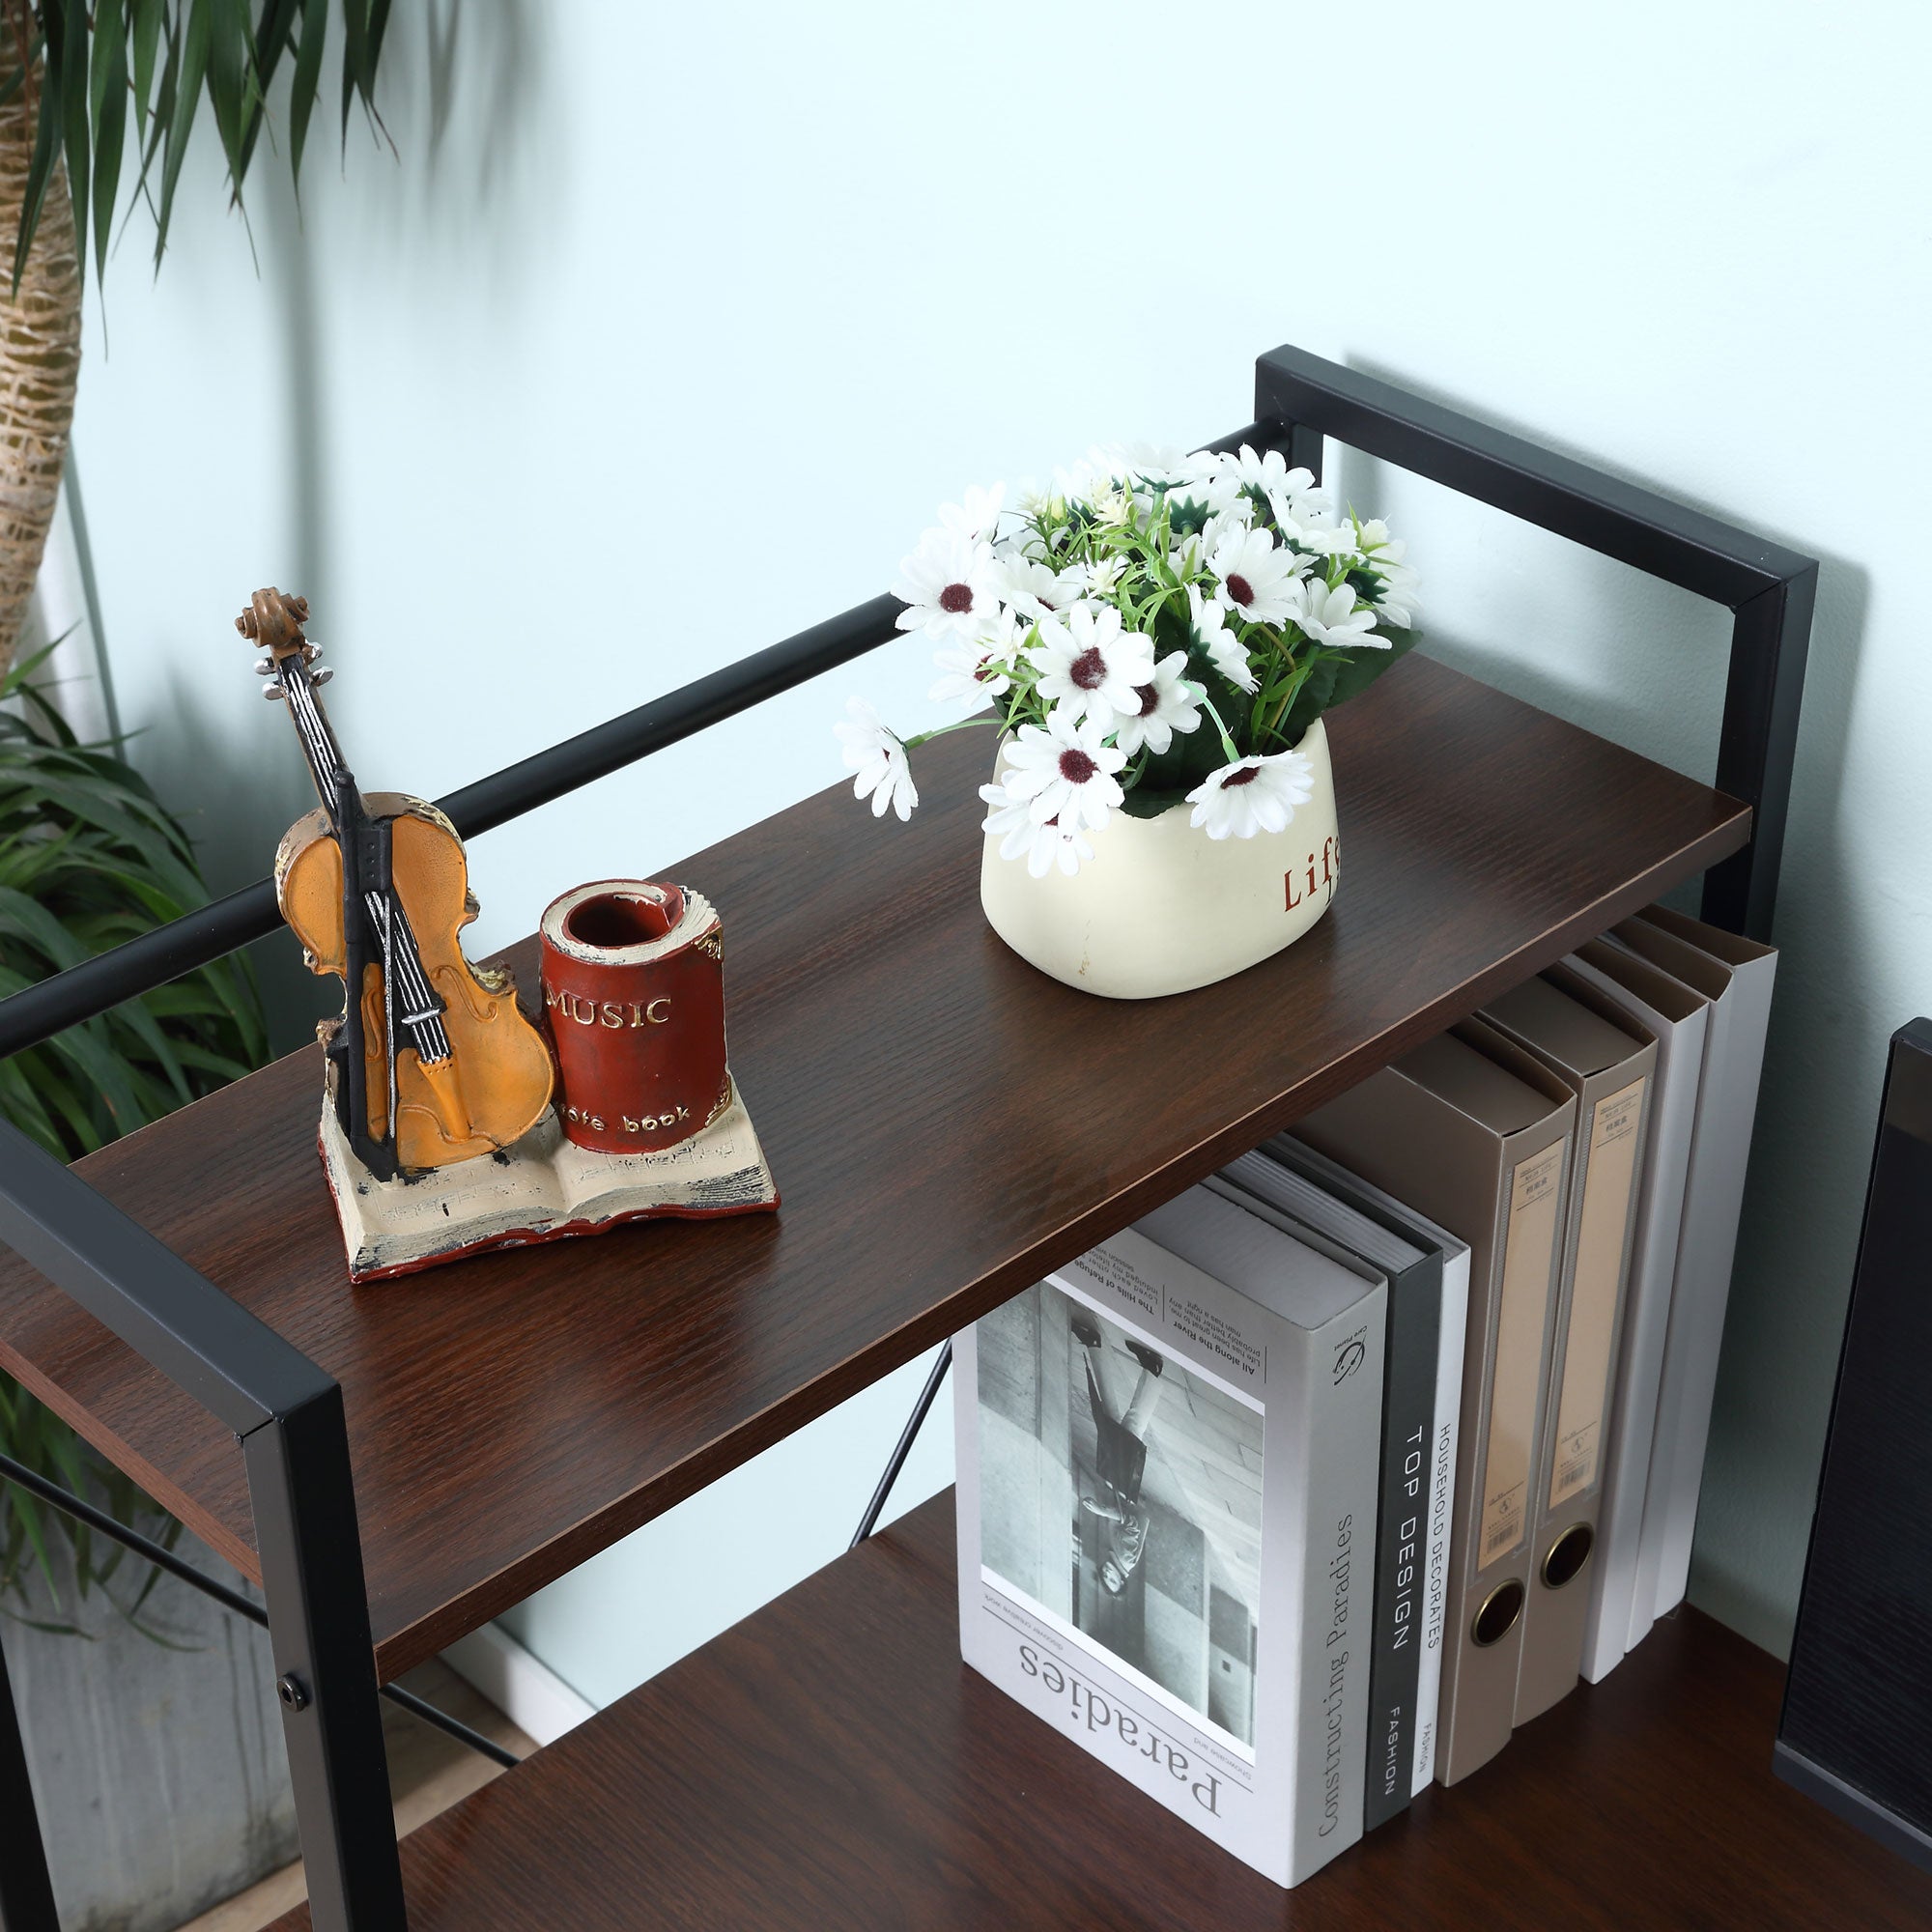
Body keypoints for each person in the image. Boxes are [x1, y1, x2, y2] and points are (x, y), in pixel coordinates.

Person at [1071, 1314, 1167, 1597]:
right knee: (1132, 1423)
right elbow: (1132, 1521)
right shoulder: (1125, 1560)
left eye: (1105, 1579)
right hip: (1123, 1478)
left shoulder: (1119, 1556)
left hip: (1119, 1480)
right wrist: (1101, 1511)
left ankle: (1094, 1345)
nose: (1108, 1575)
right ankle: (1152, 1370)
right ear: (1122, 1581)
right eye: (1113, 1582)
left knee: (1109, 1417)